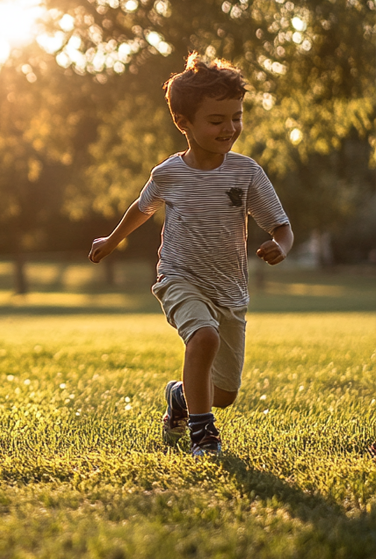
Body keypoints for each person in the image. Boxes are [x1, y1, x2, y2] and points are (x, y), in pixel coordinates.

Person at [88, 53, 293, 457]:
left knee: (224, 394)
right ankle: (202, 435)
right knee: (203, 338)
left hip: (230, 290)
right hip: (179, 278)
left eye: (235, 117)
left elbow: (281, 226)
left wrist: (280, 247)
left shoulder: (246, 172)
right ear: (184, 123)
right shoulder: (168, 174)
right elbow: (141, 208)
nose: (229, 128)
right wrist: (112, 240)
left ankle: (181, 398)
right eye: (216, 120)